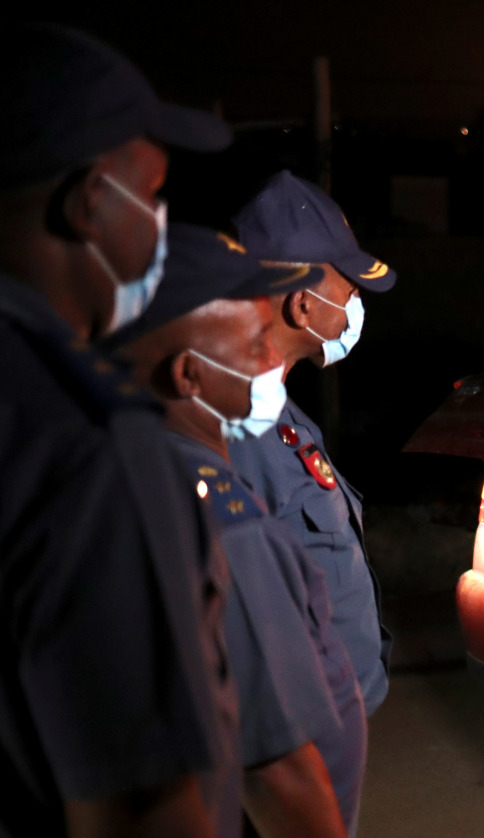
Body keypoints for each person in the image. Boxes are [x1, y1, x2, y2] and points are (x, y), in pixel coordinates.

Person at [0, 23, 241, 838]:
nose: (161, 222)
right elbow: (141, 806)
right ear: (89, 201)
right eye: (156, 189)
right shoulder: (84, 443)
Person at [109, 224, 370, 837]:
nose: (267, 363)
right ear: (187, 376)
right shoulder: (223, 525)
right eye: (253, 346)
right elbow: (279, 771)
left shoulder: (122, 473)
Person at [227, 170, 397, 716]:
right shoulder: (232, 431)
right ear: (302, 307)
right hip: (299, 732)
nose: (354, 308)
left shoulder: (279, 413)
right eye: (348, 292)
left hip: (335, 717)